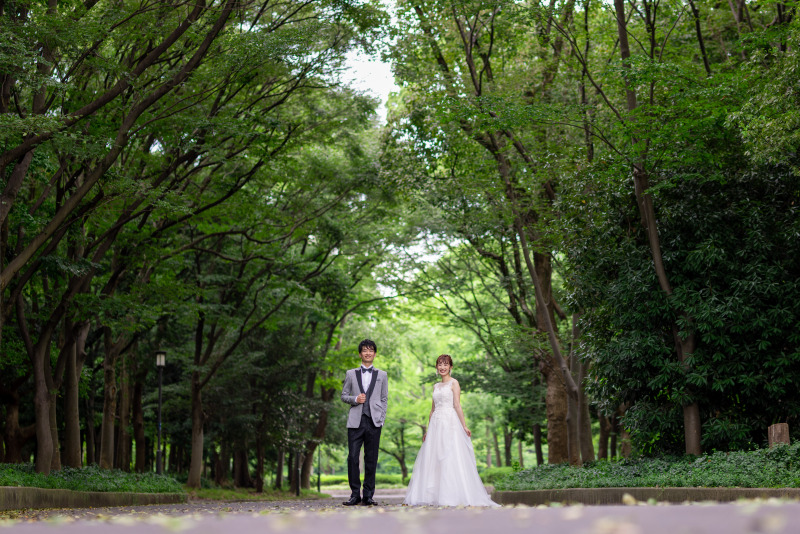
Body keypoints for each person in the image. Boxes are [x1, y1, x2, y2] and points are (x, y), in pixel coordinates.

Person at [403, 354, 499, 507]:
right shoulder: (435, 386)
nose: (442, 367)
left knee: (449, 455)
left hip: (450, 422)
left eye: (445, 364)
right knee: (433, 458)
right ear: (436, 367)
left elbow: (457, 405)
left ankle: (451, 495)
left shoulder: (454, 383)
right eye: (440, 364)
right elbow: (432, 410)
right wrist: (428, 430)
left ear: (451, 367)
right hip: (435, 425)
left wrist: (464, 425)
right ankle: (435, 495)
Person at [340, 339, 389, 506]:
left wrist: (381, 419)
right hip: (355, 421)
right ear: (360, 353)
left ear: (375, 354)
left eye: (371, 350)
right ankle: (355, 494)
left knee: (371, 458)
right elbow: (343, 395)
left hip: (374, 422)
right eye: (364, 350)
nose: (368, 353)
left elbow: (384, 399)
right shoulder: (350, 373)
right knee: (353, 457)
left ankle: (368, 495)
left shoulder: (382, 375)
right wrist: (355, 398)